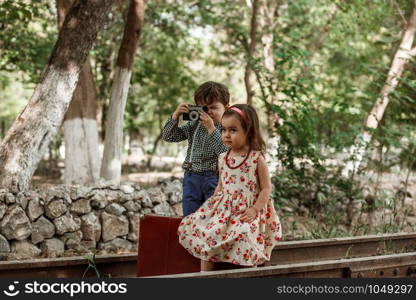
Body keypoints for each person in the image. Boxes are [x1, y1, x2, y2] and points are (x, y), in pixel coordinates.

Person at [177, 104, 282, 271]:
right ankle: (205, 275)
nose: (226, 135)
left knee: (244, 233)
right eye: (224, 130)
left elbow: (266, 189)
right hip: (223, 209)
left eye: (233, 130)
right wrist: (211, 209)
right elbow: (220, 185)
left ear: (248, 131)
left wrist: (255, 209)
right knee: (207, 233)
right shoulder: (223, 157)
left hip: (247, 210)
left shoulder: (256, 158)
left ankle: (251, 270)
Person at [161, 81, 230, 216]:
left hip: (214, 178)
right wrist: (175, 116)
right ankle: (190, 236)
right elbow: (169, 136)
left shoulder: (226, 128)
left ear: (226, 108)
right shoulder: (194, 125)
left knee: (212, 216)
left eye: (213, 108)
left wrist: (211, 128)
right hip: (191, 177)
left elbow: (224, 152)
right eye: (204, 108)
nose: (208, 112)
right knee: (190, 216)